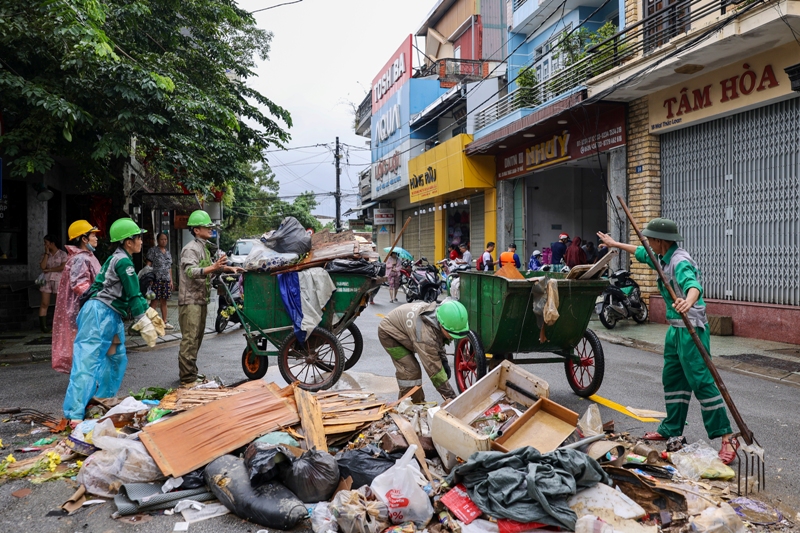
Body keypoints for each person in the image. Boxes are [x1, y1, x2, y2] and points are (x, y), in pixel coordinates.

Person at [597, 219, 737, 465]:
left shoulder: (679, 261)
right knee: (672, 378)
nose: (649, 243)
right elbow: (641, 252)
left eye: (652, 239)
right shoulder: (662, 257)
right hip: (675, 330)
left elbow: (693, 286)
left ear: (661, 241)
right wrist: (614, 243)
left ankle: (727, 437)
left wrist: (689, 301)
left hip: (692, 328)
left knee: (701, 381)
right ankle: (672, 426)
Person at [63, 218, 162, 423]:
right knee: (87, 362)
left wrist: (151, 315)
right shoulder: (123, 262)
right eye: (138, 238)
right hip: (98, 314)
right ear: (128, 242)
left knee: (116, 359)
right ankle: (74, 415)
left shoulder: (120, 258)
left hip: (111, 316)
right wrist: (143, 320)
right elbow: (134, 295)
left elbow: (132, 294)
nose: (141, 241)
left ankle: (102, 401)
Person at [178, 210, 241, 386]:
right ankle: (187, 378)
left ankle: (191, 372)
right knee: (190, 339)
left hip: (200, 298)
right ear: (196, 230)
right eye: (207, 226)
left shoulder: (204, 248)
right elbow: (191, 272)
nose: (211, 229)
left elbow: (210, 268)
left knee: (196, 339)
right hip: (190, 300)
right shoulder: (190, 249)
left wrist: (228, 269)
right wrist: (214, 267)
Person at [378, 299, 468, 403]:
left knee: (413, 370)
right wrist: (452, 399)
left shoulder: (440, 315)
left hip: (405, 330)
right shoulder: (426, 336)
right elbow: (435, 372)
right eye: (451, 334)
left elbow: (438, 340)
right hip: (389, 334)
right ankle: (410, 407)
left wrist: (443, 360)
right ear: (441, 325)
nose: (453, 338)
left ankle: (415, 404)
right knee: (411, 371)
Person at [51, 221, 102, 374]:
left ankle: (87, 378)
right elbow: (81, 286)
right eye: (93, 235)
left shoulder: (87, 256)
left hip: (86, 307)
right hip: (83, 309)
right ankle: (85, 380)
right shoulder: (81, 259)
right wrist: (99, 298)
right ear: (84, 239)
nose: (96, 238)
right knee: (85, 345)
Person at [39, 235, 68, 332]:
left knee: (58, 303)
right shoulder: (44, 255)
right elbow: (43, 267)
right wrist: (46, 253)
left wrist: (50, 269)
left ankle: (59, 325)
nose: (45, 245)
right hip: (46, 280)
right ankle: (44, 327)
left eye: (46, 243)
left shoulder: (62, 254)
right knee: (44, 303)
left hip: (58, 280)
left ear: (52, 243)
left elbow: (63, 267)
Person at [146, 232, 175, 330]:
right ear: (157, 240)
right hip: (155, 279)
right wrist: (149, 278)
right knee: (154, 301)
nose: (164, 241)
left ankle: (164, 321)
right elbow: (148, 265)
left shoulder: (167, 252)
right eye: (162, 239)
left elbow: (169, 268)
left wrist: (171, 280)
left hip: (166, 280)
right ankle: (149, 322)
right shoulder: (153, 251)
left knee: (164, 301)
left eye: (165, 239)